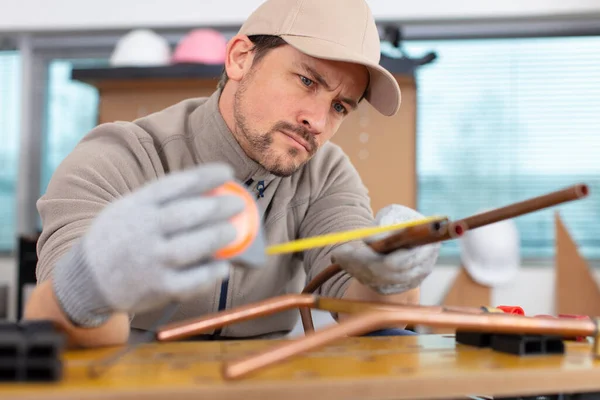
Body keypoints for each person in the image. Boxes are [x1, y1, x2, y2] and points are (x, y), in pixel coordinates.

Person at [23, 0, 440, 348]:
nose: (317, 120)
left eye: (339, 107)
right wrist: (93, 285)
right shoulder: (118, 156)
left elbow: (354, 297)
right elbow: (54, 319)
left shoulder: (325, 173)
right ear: (241, 57)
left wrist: (391, 276)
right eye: (307, 81)